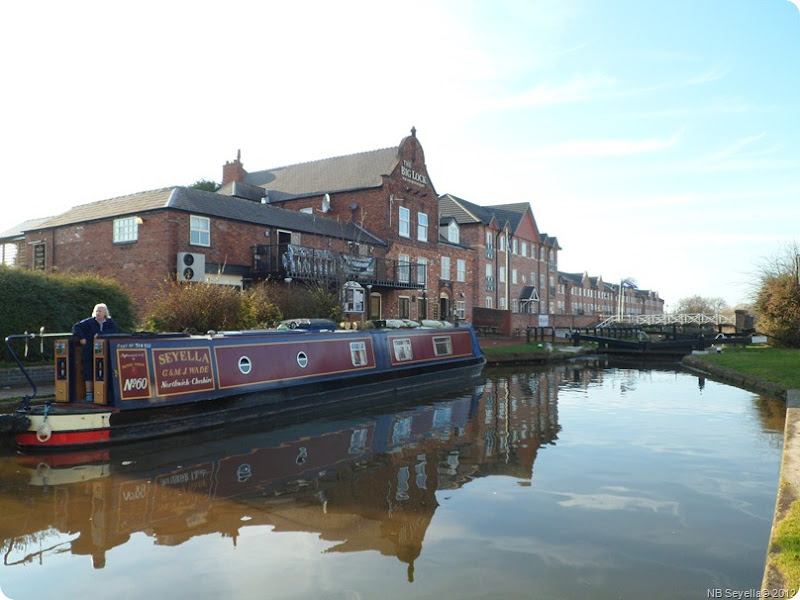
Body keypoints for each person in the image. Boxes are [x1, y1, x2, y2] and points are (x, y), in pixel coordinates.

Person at [72, 303, 119, 402]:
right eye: (96, 311)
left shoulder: (110, 323)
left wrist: (100, 335)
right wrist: (82, 338)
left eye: (100, 311)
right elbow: (76, 327)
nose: (98, 313)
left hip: (105, 353)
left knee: (103, 372)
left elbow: (115, 332)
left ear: (105, 313)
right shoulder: (89, 322)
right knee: (88, 372)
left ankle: (103, 394)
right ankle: (89, 394)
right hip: (89, 351)